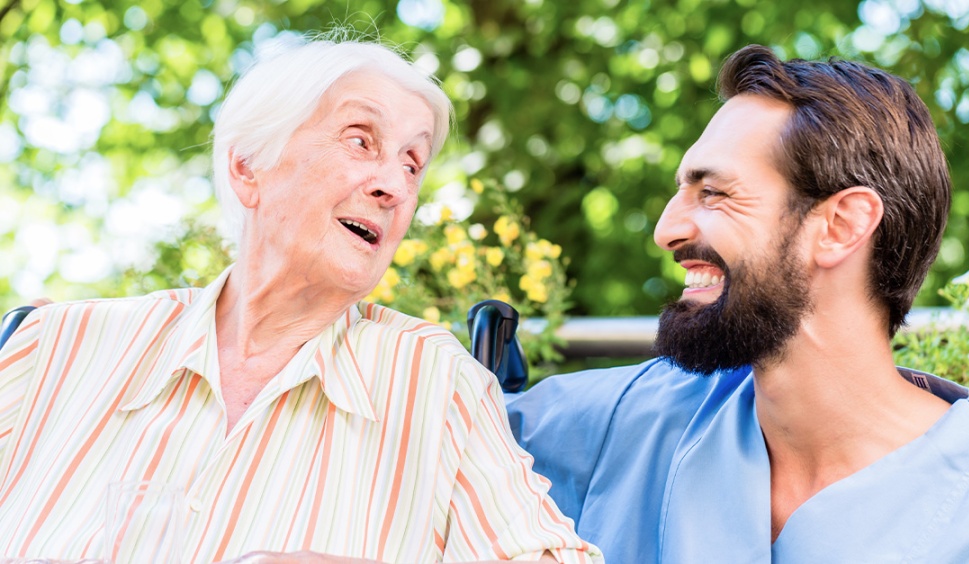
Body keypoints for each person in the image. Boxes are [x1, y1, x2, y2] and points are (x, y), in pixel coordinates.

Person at [0, 37, 600, 564]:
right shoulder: (48, 348)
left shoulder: (436, 383)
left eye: (412, 164)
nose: (393, 185)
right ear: (248, 167)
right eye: (360, 141)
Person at [507, 44, 969, 562]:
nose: (666, 229)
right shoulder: (636, 418)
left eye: (714, 192)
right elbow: (442, 423)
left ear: (839, 226)